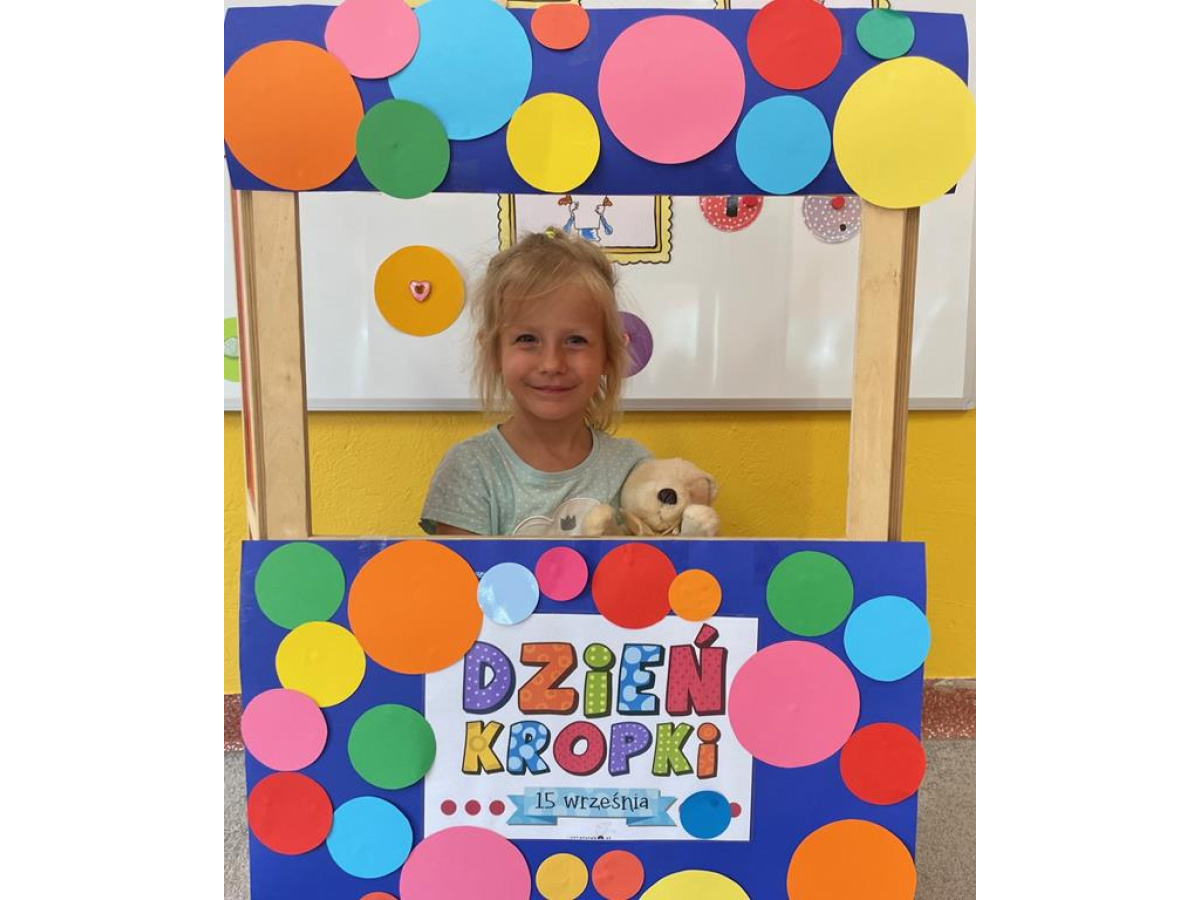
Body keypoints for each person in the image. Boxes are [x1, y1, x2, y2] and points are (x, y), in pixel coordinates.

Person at [420, 227, 651, 537]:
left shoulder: (633, 469)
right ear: (494, 352)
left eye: (576, 340)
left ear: (609, 355)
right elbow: (460, 569)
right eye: (527, 339)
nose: (552, 364)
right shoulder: (471, 469)